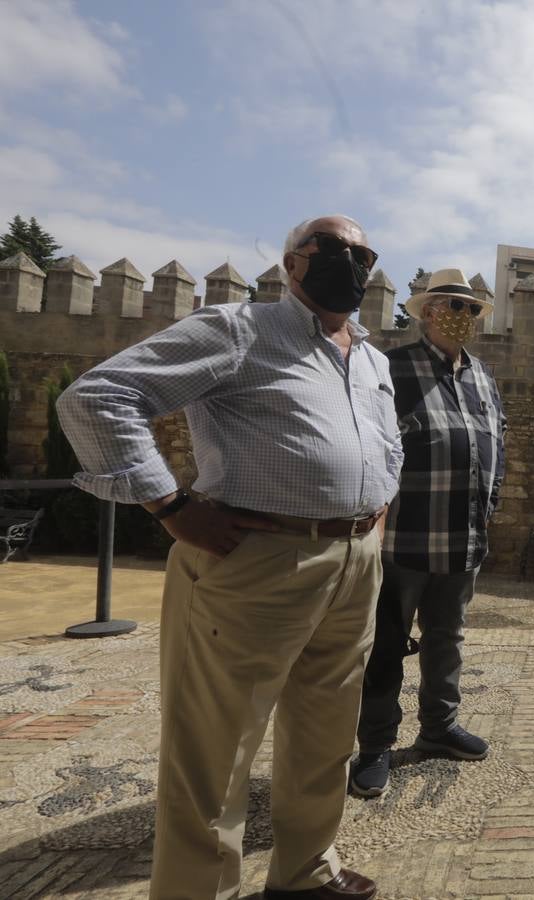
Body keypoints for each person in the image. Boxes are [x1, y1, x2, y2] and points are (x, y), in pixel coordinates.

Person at [56, 215, 398, 900]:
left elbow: (383, 441)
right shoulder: (240, 329)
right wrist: (171, 507)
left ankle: (305, 873)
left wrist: (375, 511)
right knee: (215, 750)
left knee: (326, 732)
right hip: (256, 561)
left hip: (354, 562)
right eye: (335, 250)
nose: (353, 264)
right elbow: (98, 398)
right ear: (293, 264)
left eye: (365, 254)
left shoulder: (371, 356)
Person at [349, 268, 506, 798]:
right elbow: (368, 448)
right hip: (403, 541)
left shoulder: (482, 376)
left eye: (468, 309)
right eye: (449, 306)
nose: (460, 316)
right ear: (426, 312)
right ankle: (374, 747)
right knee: (386, 646)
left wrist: (491, 503)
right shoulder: (390, 370)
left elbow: (497, 445)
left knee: (446, 639)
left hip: (462, 540)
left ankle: (439, 727)